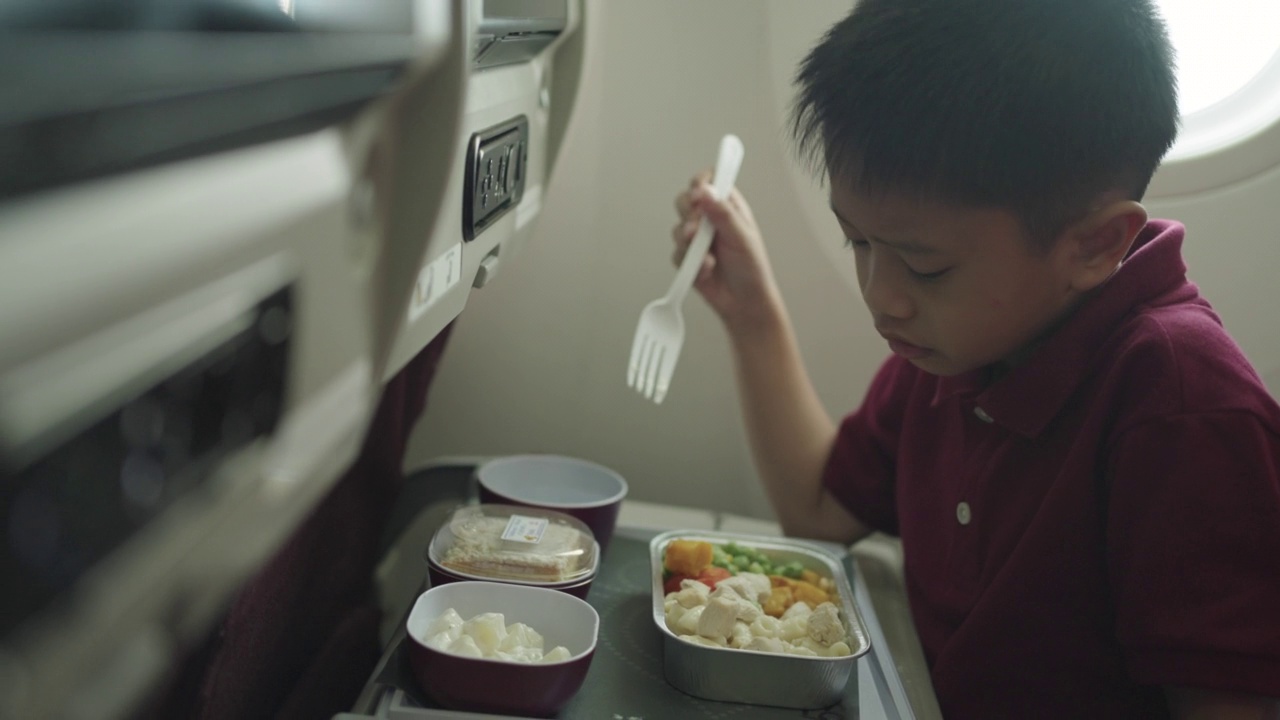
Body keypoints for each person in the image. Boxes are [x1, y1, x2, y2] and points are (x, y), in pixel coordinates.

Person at [670, 1, 1280, 717]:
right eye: (857, 242)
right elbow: (820, 509)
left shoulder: (1181, 407)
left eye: (925, 269)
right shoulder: (965, 345)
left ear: (1092, 245)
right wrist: (751, 314)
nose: (882, 297)